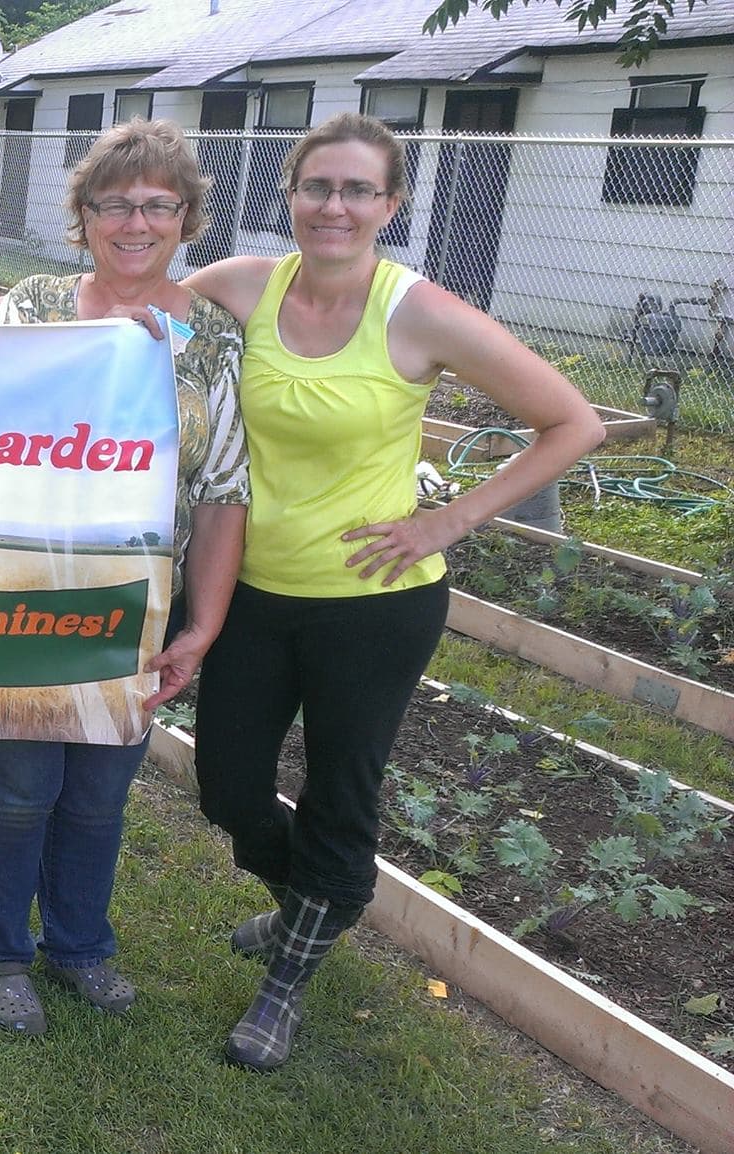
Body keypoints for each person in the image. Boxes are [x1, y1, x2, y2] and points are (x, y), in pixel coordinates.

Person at [179, 112, 604, 1070]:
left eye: (357, 190)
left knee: (341, 789)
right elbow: (126, 311)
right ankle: (313, 906)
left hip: (374, 604)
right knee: (229, 786)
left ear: (390, 204)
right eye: (317, 186)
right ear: (290, 193)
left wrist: (444, 522)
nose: (334, 206)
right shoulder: (242, 285)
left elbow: (572, 423)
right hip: (249, 589)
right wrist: (10, 315)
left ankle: (288, 978)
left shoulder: (419, 313)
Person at [0, 120, 249, 1032]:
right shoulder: (34, 304)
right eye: (114, 204)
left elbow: (224, 488)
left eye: (158, 205)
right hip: (23, 593)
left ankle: (80, 945)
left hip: (136, 607)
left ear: (187, 218)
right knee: (17, 787)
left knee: (97, 792)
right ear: (83, 216)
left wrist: (202, 624)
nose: (135, 222)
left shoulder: (213, 340)